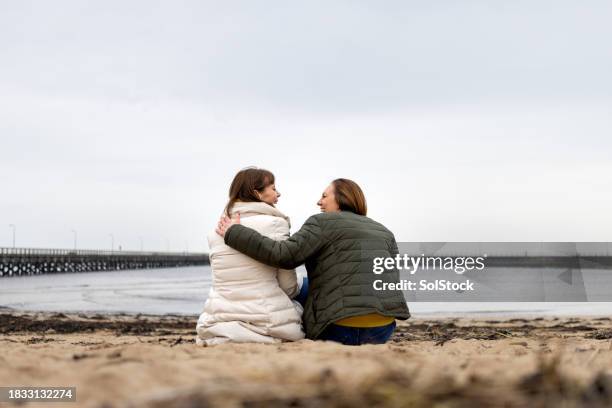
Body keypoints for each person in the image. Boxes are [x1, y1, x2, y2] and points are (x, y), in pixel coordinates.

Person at [216, 178, 410, 346]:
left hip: (337, 328)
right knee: (308, 285)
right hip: (381, 329)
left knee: (291, 287)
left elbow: (284, 255)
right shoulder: (384, 232)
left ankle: (259, 328)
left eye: (325, 196)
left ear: (342, 197)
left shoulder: (321, 223)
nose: (319, 202)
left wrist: (235, 233)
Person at [196, 167, 305, 345]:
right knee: (307, 287)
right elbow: (288, 287)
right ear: (257, 194)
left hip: (218, 318)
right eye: (273, 188)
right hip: (266, 320)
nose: (279, 194)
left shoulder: (216, 231)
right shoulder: (276, 224)